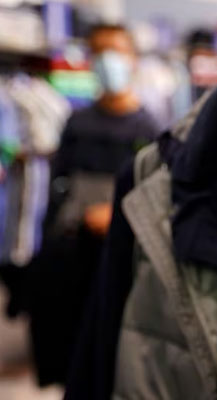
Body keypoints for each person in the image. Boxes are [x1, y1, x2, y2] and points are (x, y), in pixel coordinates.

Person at [27, 23, 159, 386]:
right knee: (70, 351)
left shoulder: (150, 128)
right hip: (72, 255)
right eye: (99, 53)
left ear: (132, 60)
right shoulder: (77, 122)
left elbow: (157, 199)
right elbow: (57, 188)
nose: (108, 61)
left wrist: (115, 213)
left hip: (121, 258)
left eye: (115, 52)